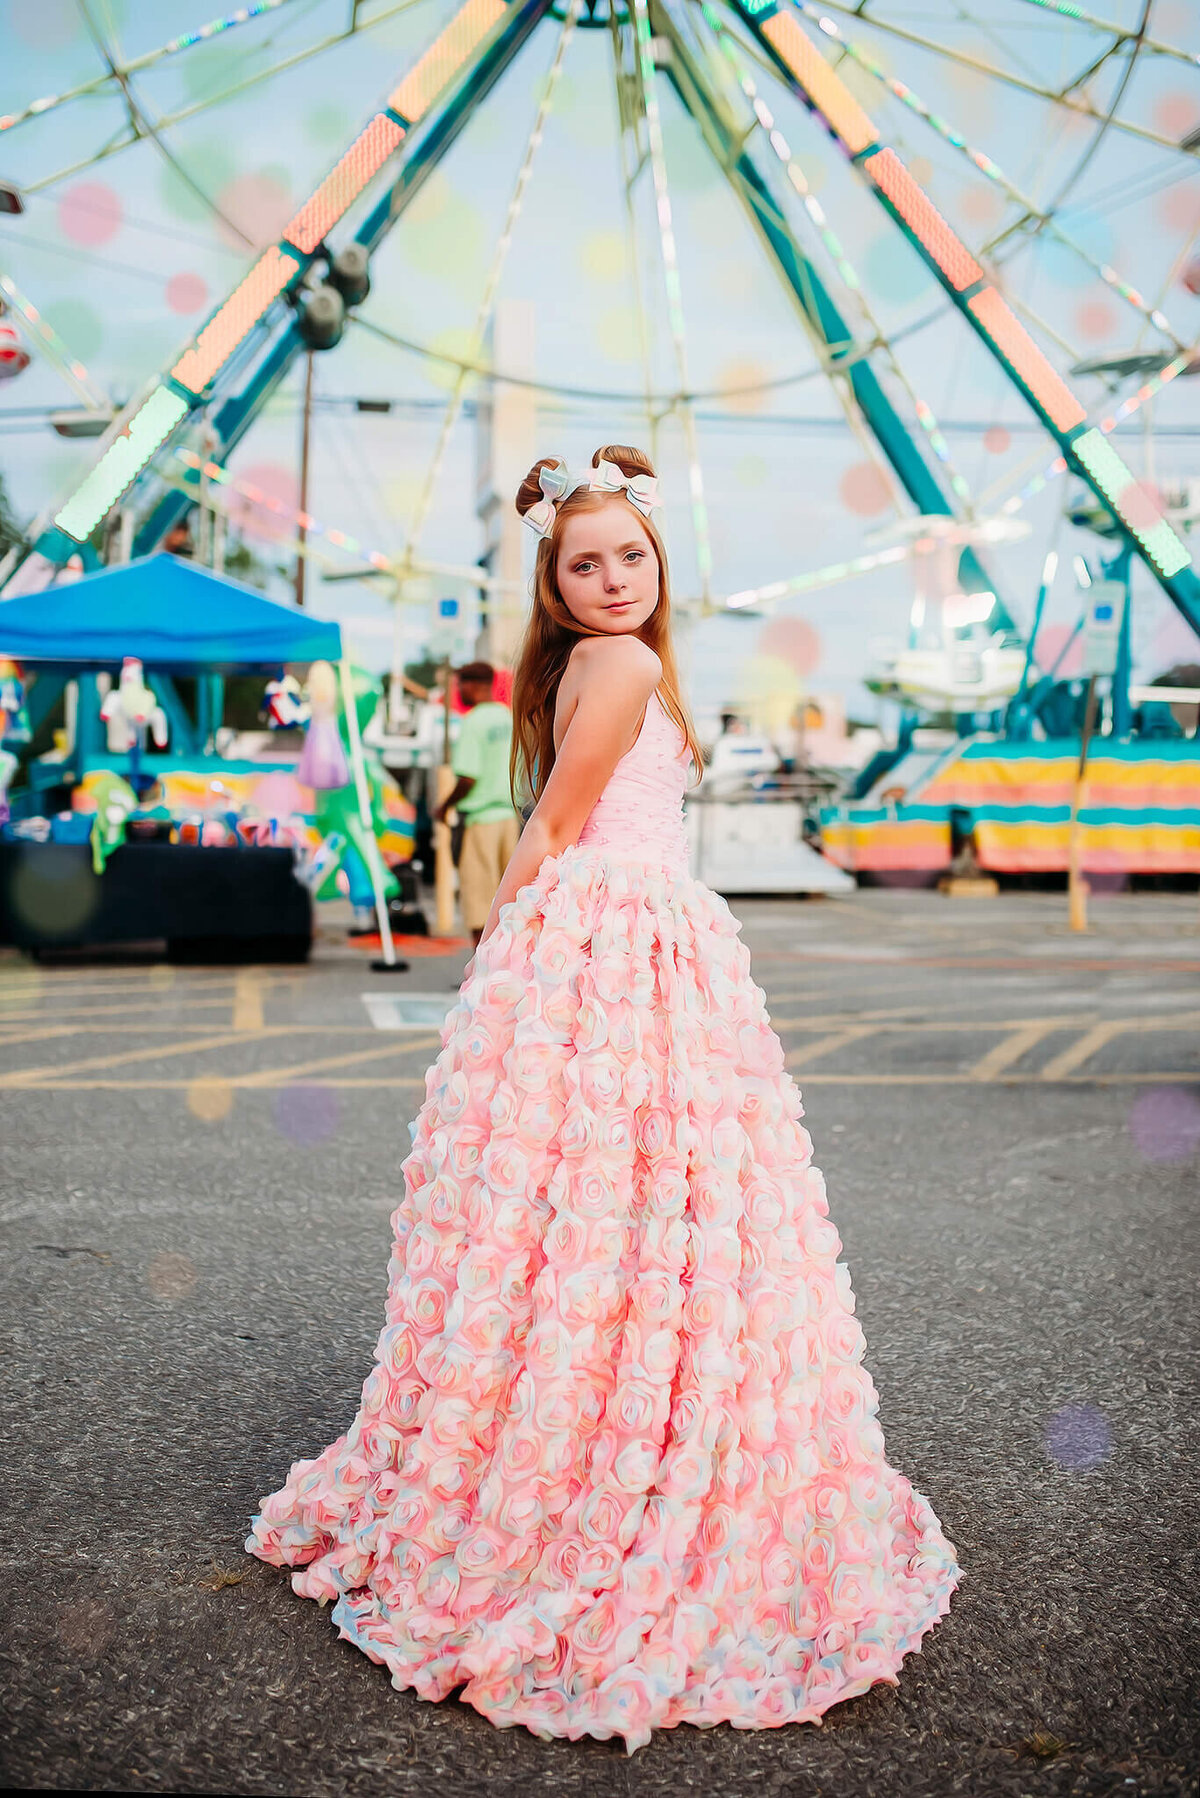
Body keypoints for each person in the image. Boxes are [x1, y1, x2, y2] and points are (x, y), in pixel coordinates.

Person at [245, 443, 962, 1754]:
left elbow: (563, 812)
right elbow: (562, 821)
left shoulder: (596, 665)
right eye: (587, 563)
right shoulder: (624, 664)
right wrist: (503, 937)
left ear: (655, 559)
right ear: (558, 585)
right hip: (624, 940)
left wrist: (509, 958)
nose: (614, 577)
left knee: (579, 1210)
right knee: (663, 1200)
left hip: (617, 939)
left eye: (629, 554)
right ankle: (638, 1431)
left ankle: (576, 1425)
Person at [435, 662, 521, 948]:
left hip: (481, 820)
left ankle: (482, 972)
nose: (459, 691)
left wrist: (444, 806)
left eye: (460, 685)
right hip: (510, 818)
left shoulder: (473, 722)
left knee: (479, 902)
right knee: (510, 901)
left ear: (471, 685)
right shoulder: (508, 717)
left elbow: (468, 778)